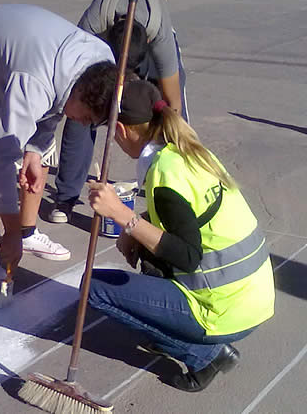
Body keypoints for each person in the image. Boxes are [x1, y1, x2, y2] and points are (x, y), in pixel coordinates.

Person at [86, 80, 275, 392]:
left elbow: (187, 256)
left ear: (120, 130)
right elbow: (189, 216)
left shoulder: (164, 174)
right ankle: (174, 329)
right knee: (148, 250)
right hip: (252, 299)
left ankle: (206, 354)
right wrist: (137, 229)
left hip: (222, 311)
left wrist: (124, 217)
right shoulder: (189, 152)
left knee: (93, 289)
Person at [0, 4, 121, 287]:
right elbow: (2, 155)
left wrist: (34, 153)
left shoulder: (99, 64)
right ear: (81, 94)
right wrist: (9, 231)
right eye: (86, 117)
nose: (83, 124)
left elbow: (57, 108)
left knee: (36, 148)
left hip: (29, 55)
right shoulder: (35, 83)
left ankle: (25, 233)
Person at [49, 0, 189, 223]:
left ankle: (177, 189)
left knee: (170, 108)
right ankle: (66, 197)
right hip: (108, 18)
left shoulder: (157, 29)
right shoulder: (94, 21)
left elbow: (173, 101)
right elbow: (68, 85)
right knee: (82, 108)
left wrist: (169, 129)